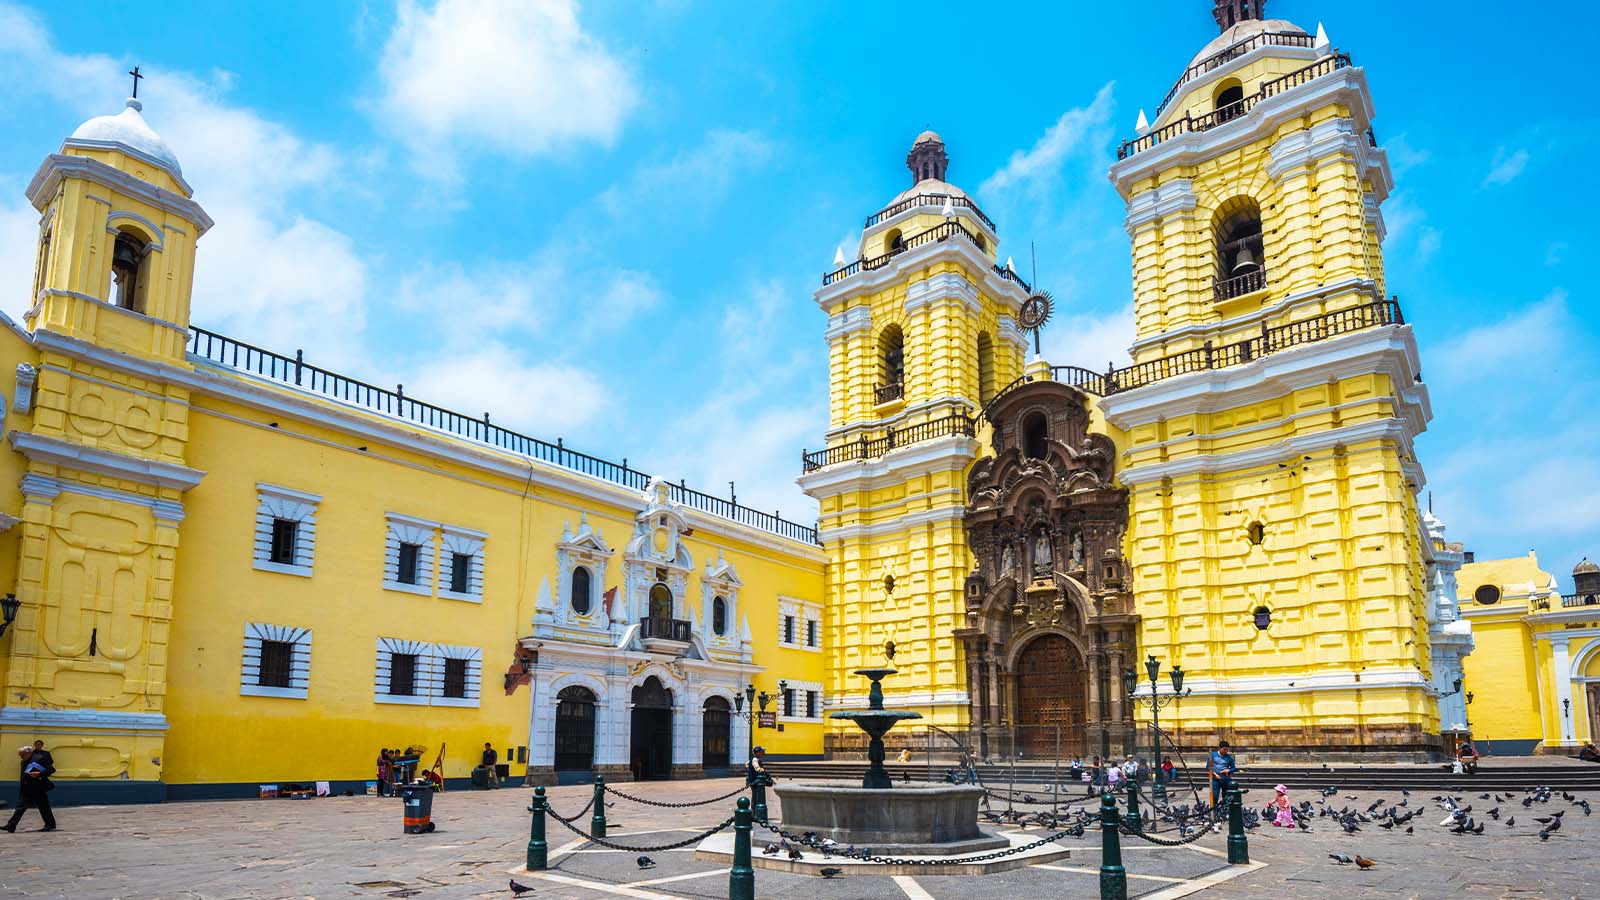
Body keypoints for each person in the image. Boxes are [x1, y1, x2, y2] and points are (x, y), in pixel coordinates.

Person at [3, 746, 55, 833]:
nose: (21, 757)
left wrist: (39, 773)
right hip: (26, 789)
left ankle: (50, 825)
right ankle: (11, 826)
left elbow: (51, 770)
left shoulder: (40, 759)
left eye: (22, 755)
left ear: (28, 753)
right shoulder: (23, 761)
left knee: (44, 807)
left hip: (38, 787)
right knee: (20, 808)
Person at [1208, 740, 1238, 809]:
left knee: (1226, 796)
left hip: (1226, 779)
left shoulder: (1229, 757)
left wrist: (1229, 770)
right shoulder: (1212, 755)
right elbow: (1208, 767)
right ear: (1219, 748)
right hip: (1215, 779)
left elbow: (1234, 768)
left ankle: (1224, 811)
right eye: (1224, 749)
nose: (1226, 751)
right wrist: (1215, 774)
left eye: (1227, 750)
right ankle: (1214, 811)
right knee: (1214, 796)